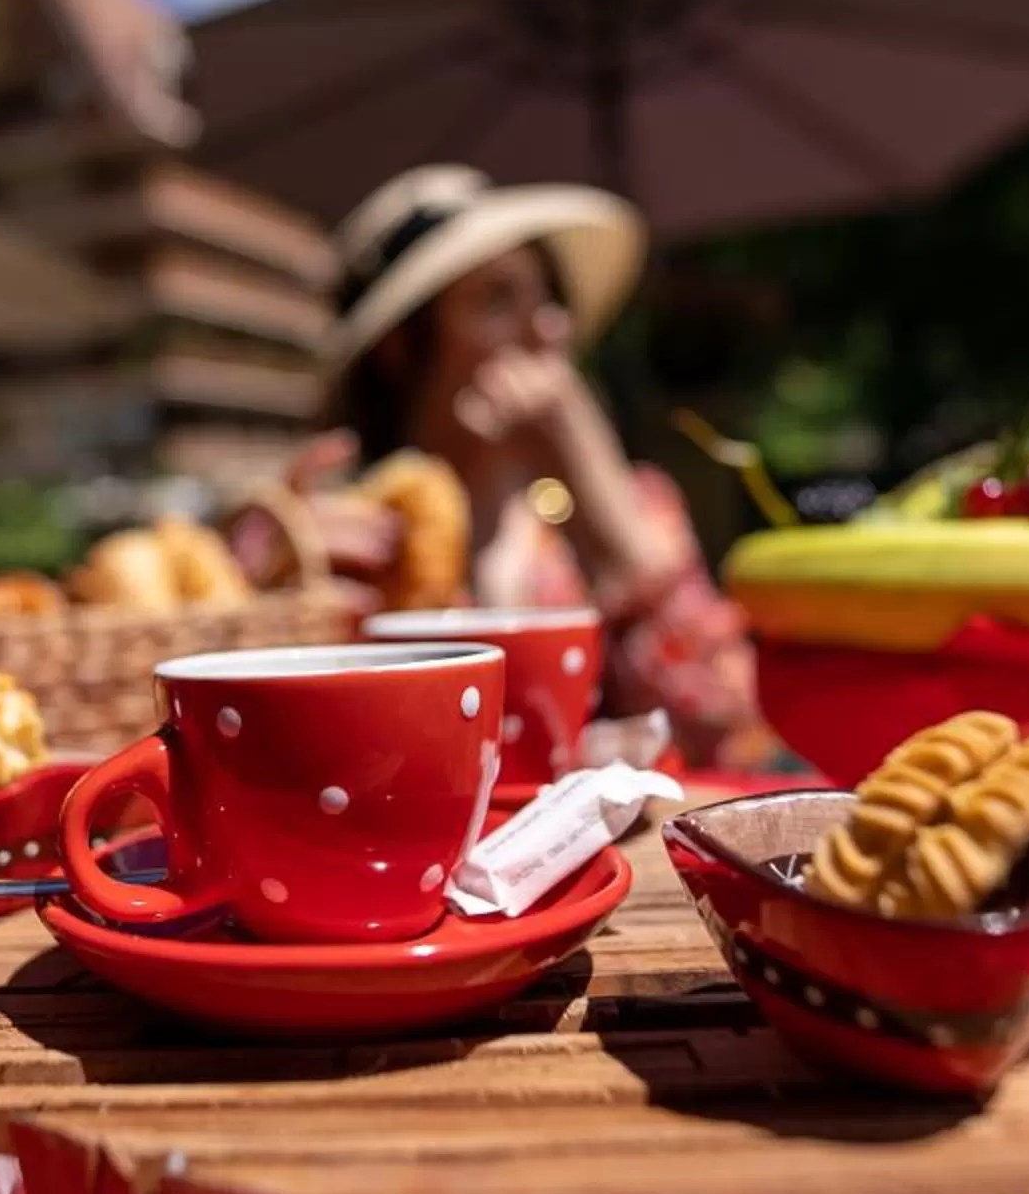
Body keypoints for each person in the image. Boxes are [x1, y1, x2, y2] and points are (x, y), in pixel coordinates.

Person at [297, 165, 771, 770]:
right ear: (400, 346)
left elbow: (730, 732)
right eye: (497, 300)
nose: (549, 329)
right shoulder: (350, 542)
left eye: (549, 297)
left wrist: (606, 509)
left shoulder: (630, 506)